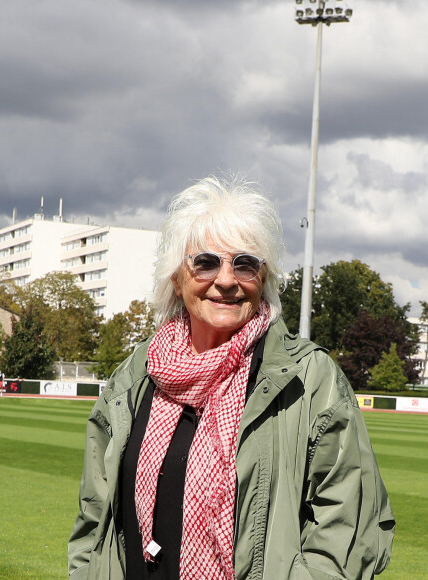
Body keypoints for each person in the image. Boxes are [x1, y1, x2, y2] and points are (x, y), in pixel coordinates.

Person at [68, 176, 395, 580]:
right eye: (205, 262)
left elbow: (348, 529)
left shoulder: (311, 379)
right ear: (176, 277)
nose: (226, 280)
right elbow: (93, 520)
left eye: (245, 264)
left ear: (263, 279)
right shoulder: (134, 375)